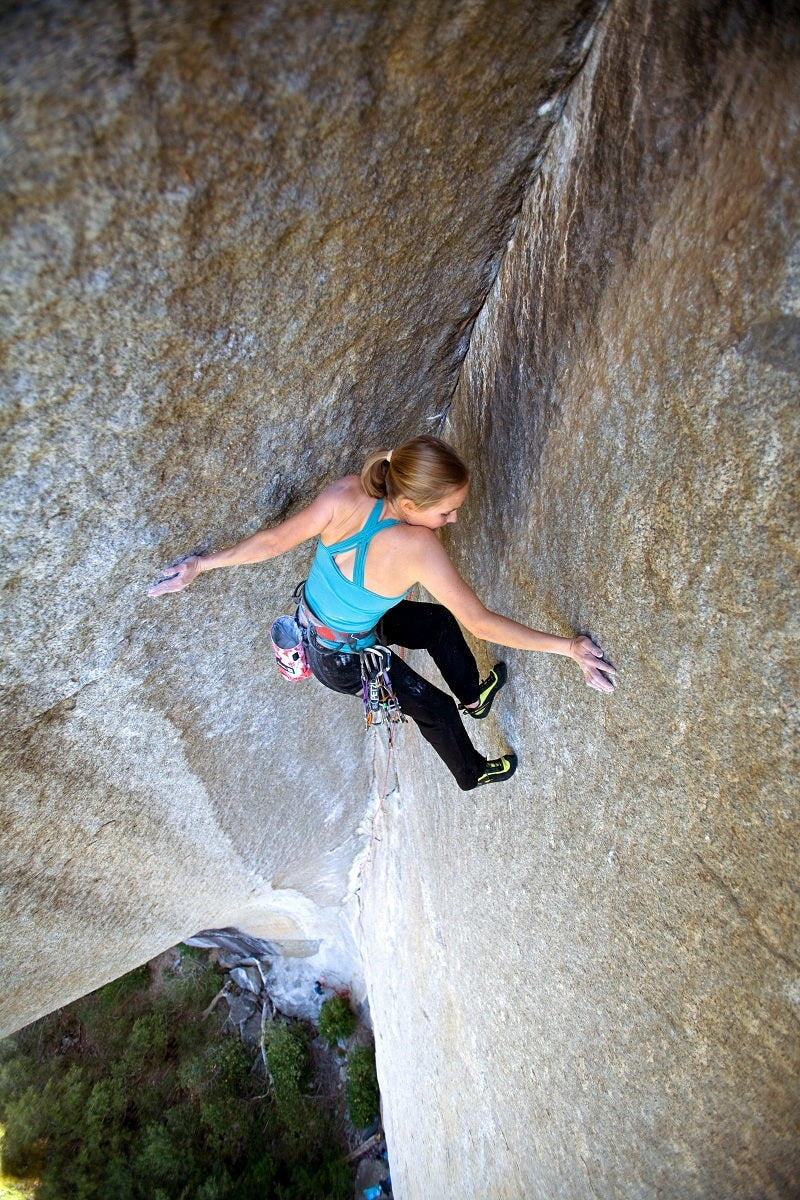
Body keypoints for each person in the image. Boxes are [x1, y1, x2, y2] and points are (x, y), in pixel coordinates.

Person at [148, 435, 615, 790]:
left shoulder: (347, 493)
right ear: (411, 504)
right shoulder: (418, 547)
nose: (452, 520)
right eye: (446, 513)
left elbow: (272, 542)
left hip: (330, 625)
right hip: (344, 660)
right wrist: (569, 648)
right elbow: (482, 622)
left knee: (436, 622)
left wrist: (201, 564)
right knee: (433, 709)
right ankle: (472, 772)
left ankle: (475, 696)